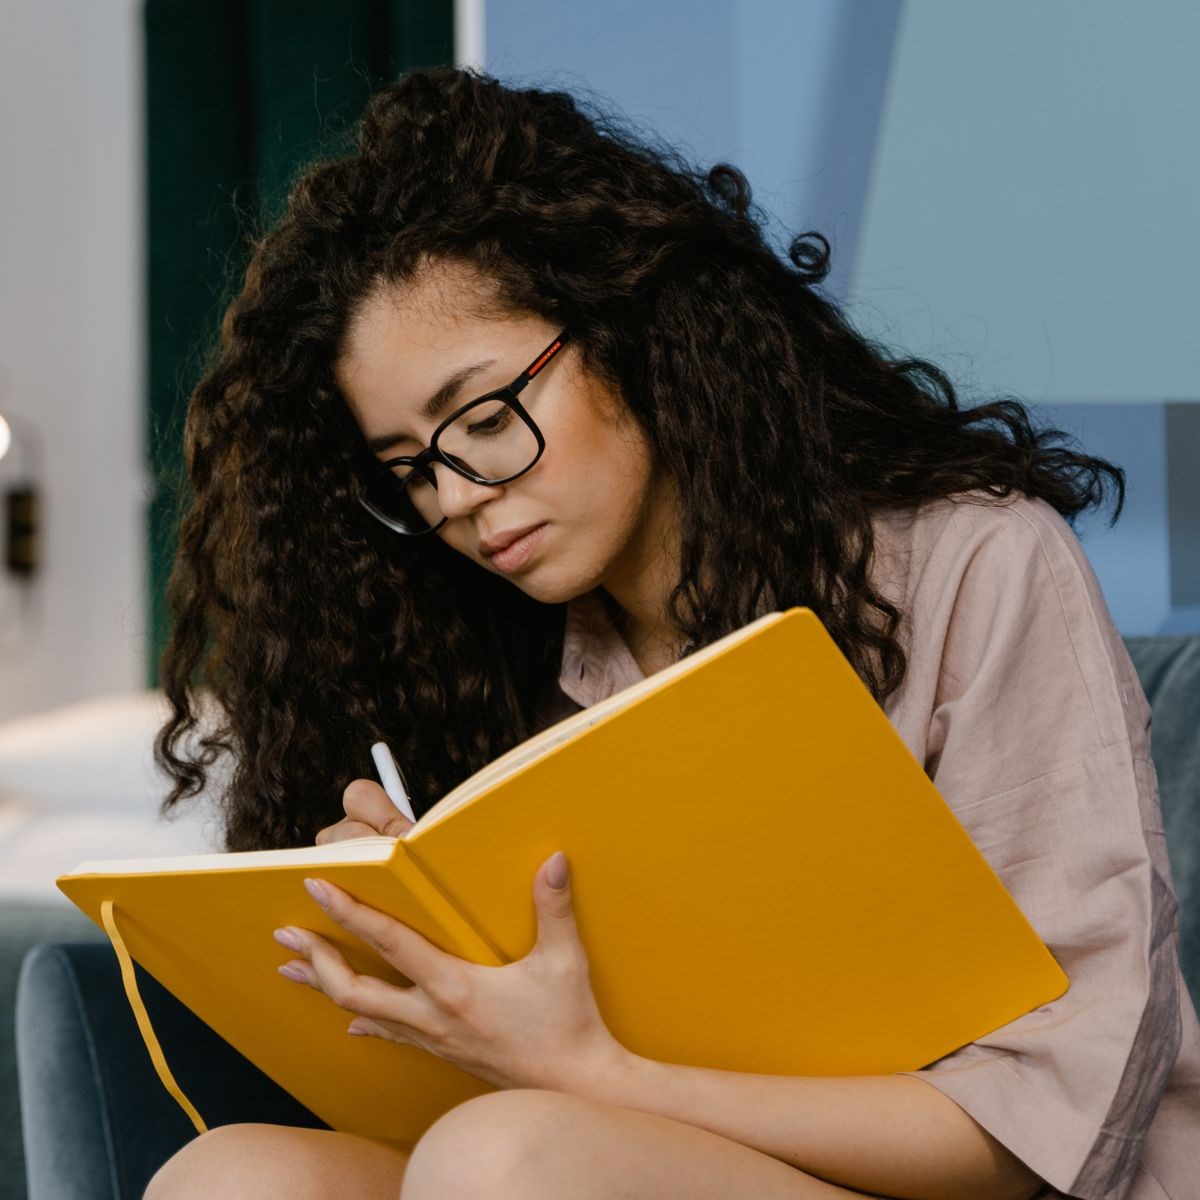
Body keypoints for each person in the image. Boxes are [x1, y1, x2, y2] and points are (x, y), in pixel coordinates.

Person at [143, 65, 1198, 1200]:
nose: (456, 498)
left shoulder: (977, 562)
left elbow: (1039, 1131)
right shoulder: (479, 654)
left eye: (488, 419)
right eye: (408, 471)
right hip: (630, 1159)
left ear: (635, 329)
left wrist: (588, 1072)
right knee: (233, 1176)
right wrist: (410, 941)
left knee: (507, 1160)